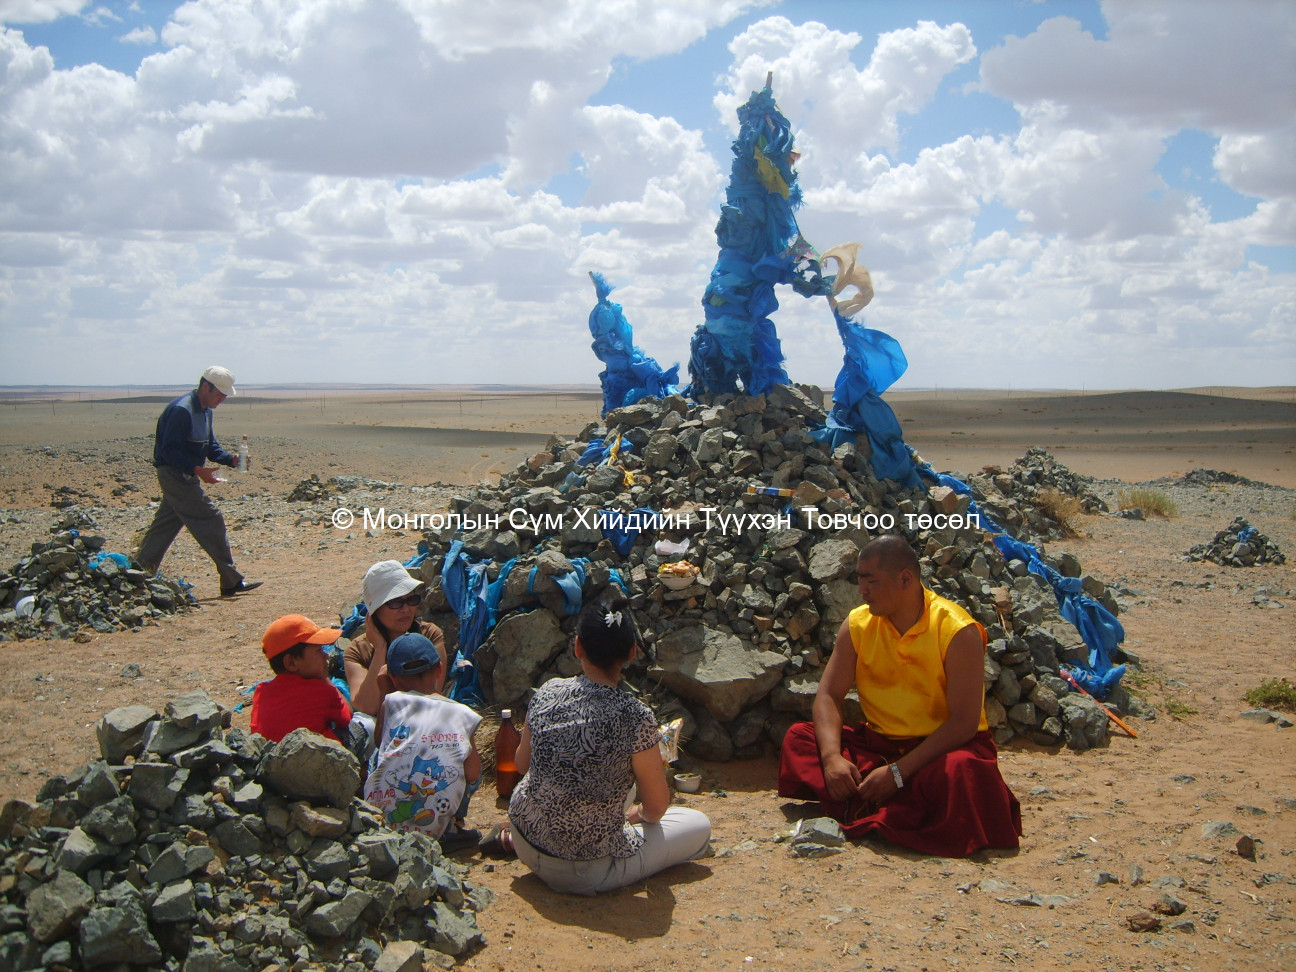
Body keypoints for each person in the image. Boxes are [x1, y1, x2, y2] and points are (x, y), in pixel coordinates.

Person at [778, 534, 1022, 857]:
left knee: (963, 772)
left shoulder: (957, 630)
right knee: (800, 739)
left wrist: (898, 773)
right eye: (859, 580)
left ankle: (874, 802)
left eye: (871, 581)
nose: (862, 590)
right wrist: (832, 759)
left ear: (905, 578)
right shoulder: (858, 625)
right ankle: (893, 803)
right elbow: (827, 696)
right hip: (881, 747)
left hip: (939, 752)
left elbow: (963, 723)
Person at [498, 599, 711, 895]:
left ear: (578, 646)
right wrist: (638, 815)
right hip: (584, 870)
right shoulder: (635, 716)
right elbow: (658, 807)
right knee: (698, 825)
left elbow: (522, 765)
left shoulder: (548, 692)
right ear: (632, 652)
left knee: (617, 780)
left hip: (525, 839)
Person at [134, 366, 261, 597]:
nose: (222, 399)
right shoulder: (181, 410)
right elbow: (169, 451)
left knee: (166, 524)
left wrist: (231, 460)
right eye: (219, 394)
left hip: (186, 475)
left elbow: (210, 447)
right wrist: (197, 470)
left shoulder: (205, 410)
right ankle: (230, 580)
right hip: (175, 475)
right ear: (205, 387)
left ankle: (137, 573)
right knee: (211, 517)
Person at [363, 632, 482, 850]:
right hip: (434, 826)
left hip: (383, 823)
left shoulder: (391, 701)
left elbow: (382, 742)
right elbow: (472, 774)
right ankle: (449, 827)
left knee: (375, 754)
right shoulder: (463, 714)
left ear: (393, 678)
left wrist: (385, 691)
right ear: (438, 670)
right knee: (472, 766)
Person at [344, 560, 448, 717]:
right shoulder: (358, 650)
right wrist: (380, 650)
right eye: (395, 602)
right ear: (375, 610)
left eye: (411, 600)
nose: (406, 609)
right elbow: (368, 707)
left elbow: (432, 691)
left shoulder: (430, 636)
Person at [250, 615, 353, 744]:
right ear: (291, 663)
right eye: (318, 650)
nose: (325, 655)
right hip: (317, 759)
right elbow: (346, 717)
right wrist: (325, 678)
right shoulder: (322, 691)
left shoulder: (261, 692)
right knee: (363, 727)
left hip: (272, 760)